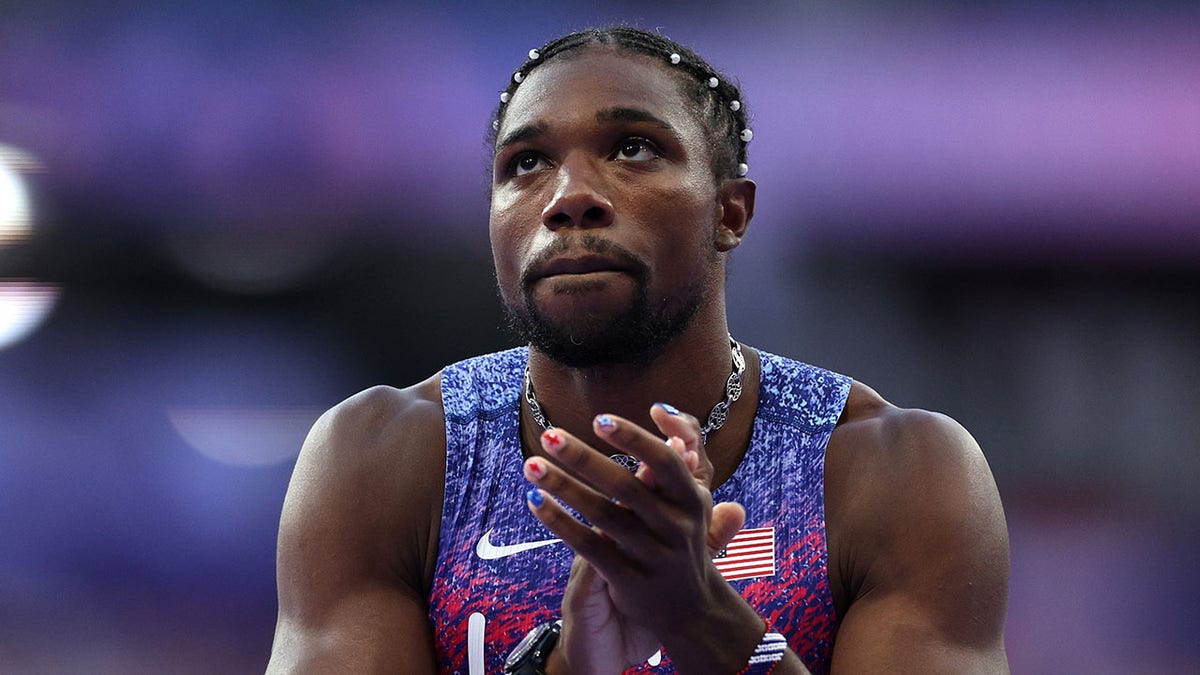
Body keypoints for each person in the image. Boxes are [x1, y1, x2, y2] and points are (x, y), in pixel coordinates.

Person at [266, 26, 1010, 675]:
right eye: (525, 163)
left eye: (632, 148)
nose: (569, 195)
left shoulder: (892, 471)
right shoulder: (384, 460)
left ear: (730, 211)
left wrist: (704, 619)